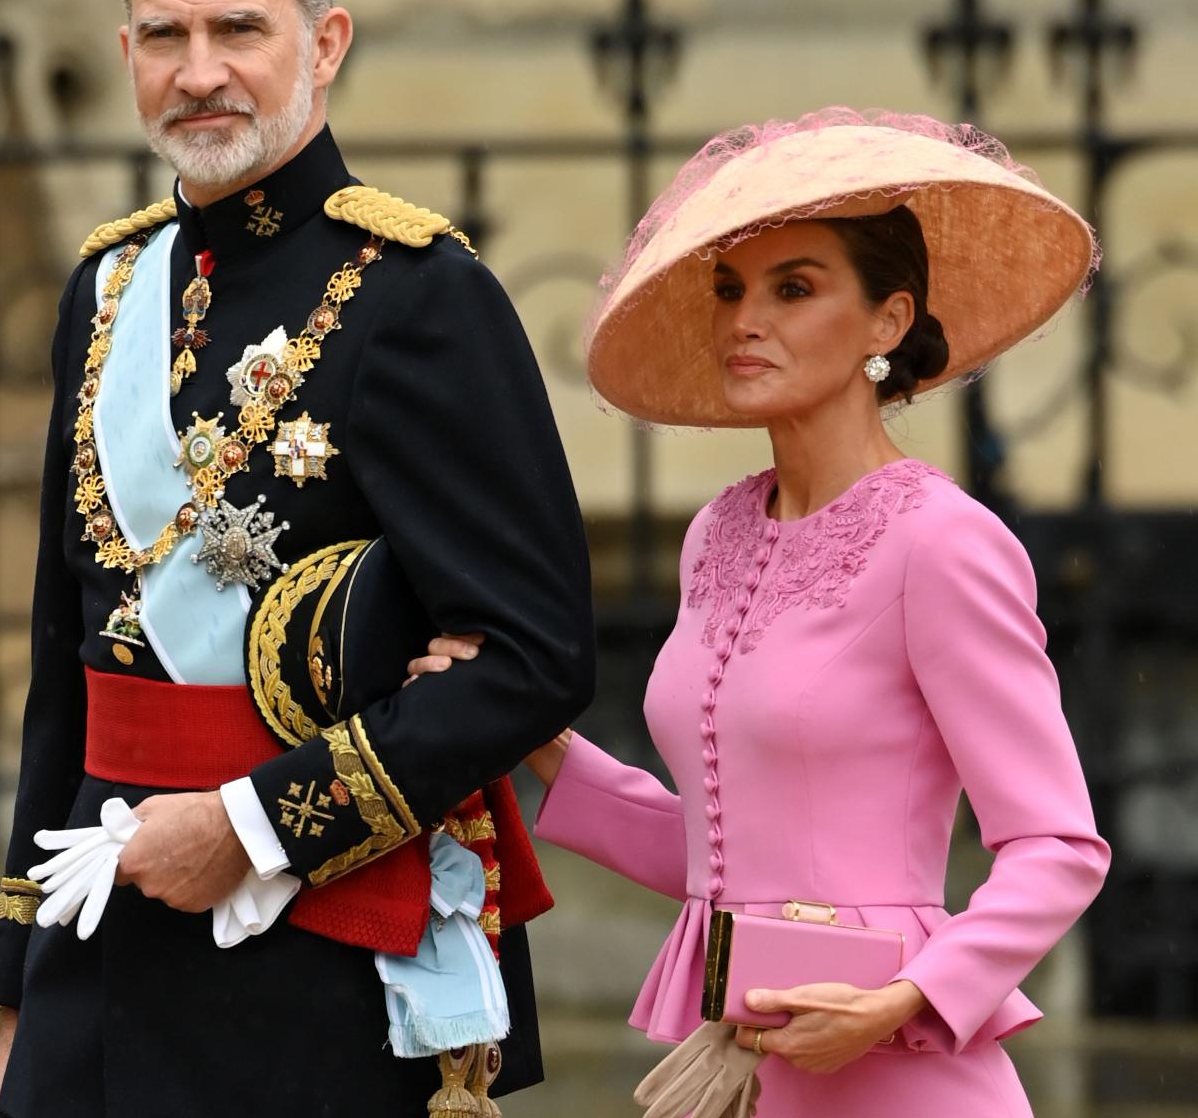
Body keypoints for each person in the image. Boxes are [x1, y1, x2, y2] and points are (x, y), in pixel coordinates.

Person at [0, 0, 594, 1116]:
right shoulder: (105, 289)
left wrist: (257, 827)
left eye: (238, 29)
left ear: (324, 41)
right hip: (100, 947)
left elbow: (534, 657)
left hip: (311, 955)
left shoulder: (419, 296)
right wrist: (17, 998)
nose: (200, 71)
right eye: (167, 34)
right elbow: (65, 668)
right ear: (128, 52)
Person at [410, 109, 1111, 1116]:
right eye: (731, 289)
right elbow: (720, 848)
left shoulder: (941, 542)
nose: (747, 318)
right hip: (739, 1076)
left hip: (907, 1080)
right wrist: (531, 740)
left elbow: (1058, 847)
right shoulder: (718, 534)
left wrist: (907, 997)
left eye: (795, 288)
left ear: (888, 321)